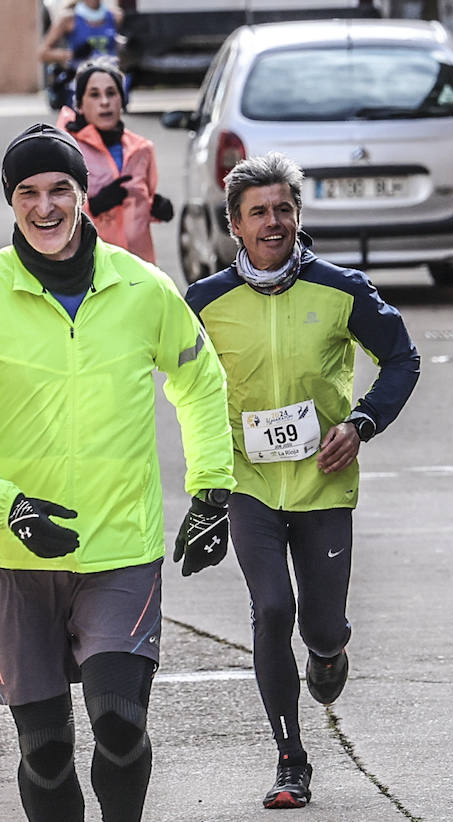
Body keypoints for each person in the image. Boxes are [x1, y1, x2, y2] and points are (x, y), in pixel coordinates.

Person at [0, 123, 235, 822]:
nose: (46, 208)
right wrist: (8, 505)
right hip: (14, 557)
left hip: (121, 549)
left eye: (61, 190)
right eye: (28, 193)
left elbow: (200, 382)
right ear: (11, 202)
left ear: (81, 195)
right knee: (43, 746)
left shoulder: (142, 288)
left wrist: (212, 490)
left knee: (120, 724)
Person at [185, 152, 420, 810]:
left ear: (299, 215)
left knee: (320, 625)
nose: (273, 221)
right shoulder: (203, 304)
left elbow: (402, 357)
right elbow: (170, 379)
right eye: (258, 212)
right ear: (234, 224)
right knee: (270, 611)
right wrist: (204, 474)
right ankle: (291, 757)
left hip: (323, 486)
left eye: (284, 209)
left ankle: (328, 649)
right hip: (248, 484)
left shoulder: (342, 288)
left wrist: (363, 423)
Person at [57, 58, 173, 264]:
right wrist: (95, 206)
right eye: (94, 94)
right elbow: (52, 211)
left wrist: (156, 208)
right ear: (80, 105)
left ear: (122, 99)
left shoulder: (142, 148)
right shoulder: (66, 149)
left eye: (111, 93)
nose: (105, 102)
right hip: (91, 264)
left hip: (139, 264)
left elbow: (141, 202)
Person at [40, 0, 124, 111]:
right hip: (81, 79)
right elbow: (43, 53)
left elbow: (120, 48)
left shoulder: (114, 16)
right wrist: (73, 54)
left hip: (110, 77)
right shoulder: (68, 18)